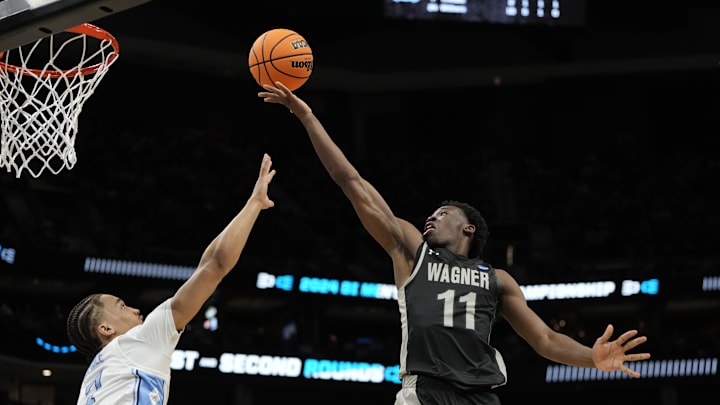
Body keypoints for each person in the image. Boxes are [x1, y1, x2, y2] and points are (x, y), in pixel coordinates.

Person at [258, 82, 652, 405]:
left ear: (469, 229)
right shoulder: (413, 251)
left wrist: (592, 357)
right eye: (432, 212)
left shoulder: (498, 280)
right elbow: (352, 184)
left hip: (481, 396)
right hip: (425, 391)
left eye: (444, 213)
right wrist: (307, 117)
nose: (432, 216)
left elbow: (545, 339)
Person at [65, 153, 276, 405]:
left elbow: (206, 265)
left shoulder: (92, 380)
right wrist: (254, 203)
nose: (135, 310)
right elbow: (215, 266)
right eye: (122, 306)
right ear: (106, 329)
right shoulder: (137, 341)